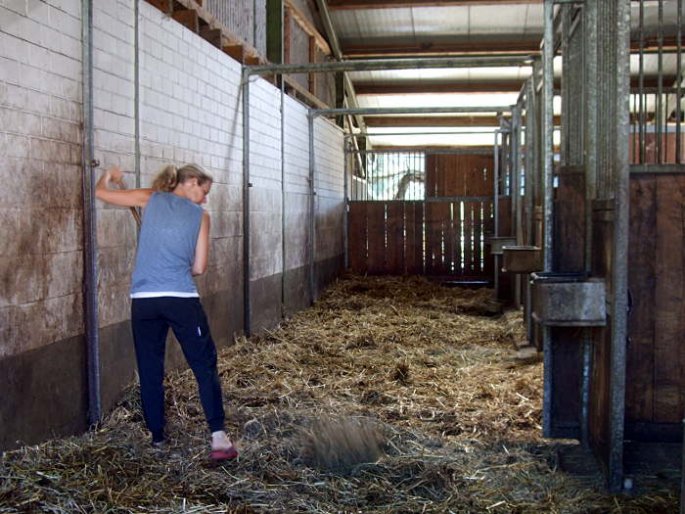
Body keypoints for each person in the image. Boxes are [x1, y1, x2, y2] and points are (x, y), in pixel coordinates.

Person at [95, 163, 237, 461]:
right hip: (180, 298)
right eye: (204, 191)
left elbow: (101, 193)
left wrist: (110, 177)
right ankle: (219, 438)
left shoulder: (149, 198)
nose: (205, 199)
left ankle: (157, 439)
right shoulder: (201, 217)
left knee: (150, 369)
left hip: (144, 299)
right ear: (191, 182)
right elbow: (198, 268)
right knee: (204, 364)